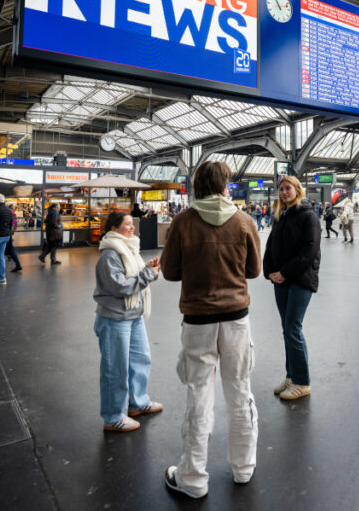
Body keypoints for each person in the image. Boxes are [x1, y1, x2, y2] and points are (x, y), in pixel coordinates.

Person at [159, 160, 261, 499]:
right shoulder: (244, 221)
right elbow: (254, 271)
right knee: (239, 389)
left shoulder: (183, 222)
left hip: (198, 320)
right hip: (236, 318)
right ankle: (244, 469)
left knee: (199, 394)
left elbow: (170, 272)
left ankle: (192, 480)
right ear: (222, 186)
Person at [93, 211, 163, 432]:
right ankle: (113, 417)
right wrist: (147, 275)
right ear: (113, 228)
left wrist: (147, 269)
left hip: (132, 316)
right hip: (115, 319)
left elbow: (132, 277)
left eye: (133, 224)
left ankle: (138, 403)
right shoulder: (110, 254)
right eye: (127, 224)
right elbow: (120, 286)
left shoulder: (129, 249)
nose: (132, 228)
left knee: (140, 360)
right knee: (116, 369)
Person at [263, 175, 321, 401]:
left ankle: (302, 382)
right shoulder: (280, 216)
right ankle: (291, 375)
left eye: (288, 188)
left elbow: (309, 252)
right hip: (281, 280)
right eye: (281, 189)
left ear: (298, 190)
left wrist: (284, 272)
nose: (284, 192)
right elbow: (270, 246)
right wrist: (269, 270)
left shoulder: (308, 216)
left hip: (301, 279)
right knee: (287, 329)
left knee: (293, 328)